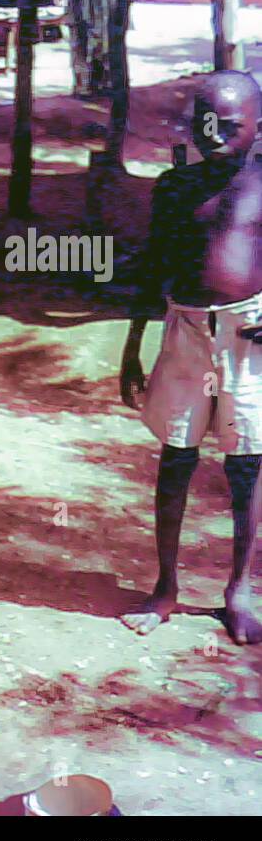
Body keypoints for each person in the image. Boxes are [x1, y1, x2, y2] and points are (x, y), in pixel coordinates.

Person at [119, 70, 262, 646]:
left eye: (228, 126)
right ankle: (166, 586)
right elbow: (152, 267)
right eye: (202, 123)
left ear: (258, 125)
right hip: (184, 331)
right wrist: (133, 345)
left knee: (247, 463)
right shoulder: (175, 188)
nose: (212, 135)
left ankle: (240, 589)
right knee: (176, 454)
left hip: (249, 334)